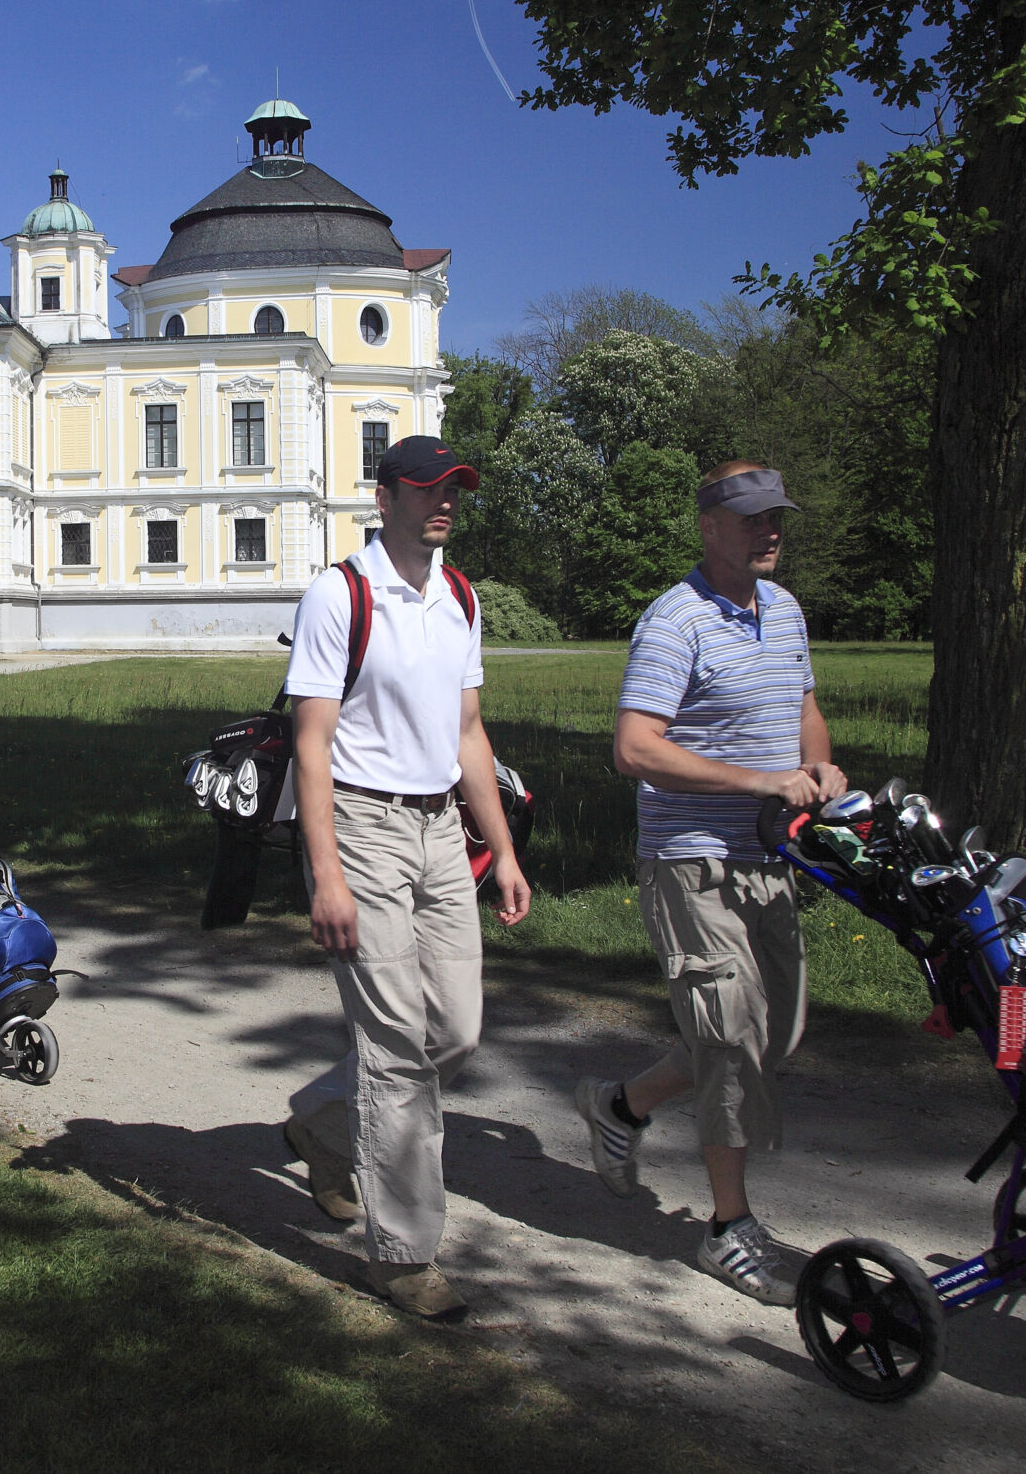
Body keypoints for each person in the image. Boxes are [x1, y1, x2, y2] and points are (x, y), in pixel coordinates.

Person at [576, 460, 846, 1307]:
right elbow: (635, 749)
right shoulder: (676, 621)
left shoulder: (786, 609)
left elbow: (803, 705)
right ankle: (729, 1228)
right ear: (709, 527)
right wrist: (757, 781)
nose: (769, 530)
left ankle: (621, 1106)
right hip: (692, 860)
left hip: (772, 861)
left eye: (777, 517)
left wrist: (816, 763)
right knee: (731, 1038)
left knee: (775, 1035)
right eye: (751, 518)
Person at [280, 435, 533, 1323]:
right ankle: (404, 1253)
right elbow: (312, 742)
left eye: (455, 487)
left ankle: (318, 1120)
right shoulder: (340, 593)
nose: (446, 501)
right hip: (362, 824)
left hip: (438, 828)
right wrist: (327, 875)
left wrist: (500, 848)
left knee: (454, 1033)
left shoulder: (458, 596)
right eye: (428, 487)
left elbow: (469, 733)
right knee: (394, 1048)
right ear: (383, 497)